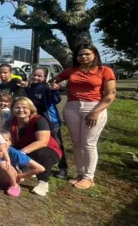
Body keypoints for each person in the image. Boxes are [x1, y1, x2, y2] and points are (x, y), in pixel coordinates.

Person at [51, 44, 116, 189]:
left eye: (87, 54)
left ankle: (89, 177)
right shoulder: (72, 70)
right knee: (76, 142)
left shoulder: (104, 70)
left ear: (94, 55)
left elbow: (111, 94)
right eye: (80, 55)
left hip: (93, 107)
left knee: (88, 143)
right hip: (72, 107)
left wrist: (96, 112)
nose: (83, 57)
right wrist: (56, 85)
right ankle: (80, 173)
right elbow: (54, 81)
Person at [4, 97, 62, 196]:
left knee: (40, 153)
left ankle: (43, 182)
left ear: (31, 109)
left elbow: (42, 142)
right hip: (24, 150)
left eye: (24, 107)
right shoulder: (10, 122)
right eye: (17, 107)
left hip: (48, 150)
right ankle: (24, 170)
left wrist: (22, 152)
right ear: (12, 109)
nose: (21, 110)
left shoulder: (39, 120)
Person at [26, 67, 68, 179]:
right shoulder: (28, 88)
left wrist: (54, 91)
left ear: (45, 78)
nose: (36, 77)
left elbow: (56, 100)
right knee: (35, 143)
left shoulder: (46, 88)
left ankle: (62, 168)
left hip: (50, 122)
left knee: (57, 144)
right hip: (33, 121)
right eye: (34, 75)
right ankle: (35, 165)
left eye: (40, 76)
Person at [0, 130, 46, 197]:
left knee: (3, 164)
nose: (2, 142)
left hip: (9, 176)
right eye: (0, 140)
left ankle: (14, 185)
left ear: (10, 142)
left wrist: (21, 175)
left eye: (5, 140)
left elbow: (40, 168)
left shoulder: (13, 152)